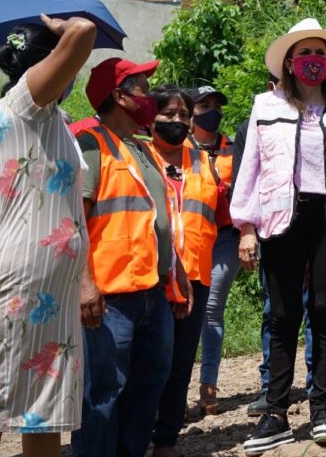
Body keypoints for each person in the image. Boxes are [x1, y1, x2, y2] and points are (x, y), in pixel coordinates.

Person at [231, 17, 326, 454]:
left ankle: (322, 410)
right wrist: (246, 227)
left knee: (325, 309)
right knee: (281, 315)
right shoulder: (266, 106)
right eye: (305, 54)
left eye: (320, 54)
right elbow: (250, 171)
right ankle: (276, 413)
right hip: (282, 218)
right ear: (289, 63)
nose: (313, 61)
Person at [0, 15, 95, 456]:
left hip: (51, 285)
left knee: (46, 406)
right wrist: (61, 27)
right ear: (47, 65)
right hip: (21, 280)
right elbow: (84, 32)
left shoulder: (51, 116)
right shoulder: (24, 101)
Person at [71, 58, 192, 457]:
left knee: (148, 386)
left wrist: (176, 272)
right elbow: (75, 221)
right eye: (142, 86)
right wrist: (85, 283)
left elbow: (156, 217)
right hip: (109, 301)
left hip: (152, 295)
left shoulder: (142, 149)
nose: (150, 95)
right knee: (102, 396)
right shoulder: (91, 145)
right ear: (120, 96)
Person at [232, 77, 314, 418]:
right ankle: (272, 388)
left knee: (318, 309)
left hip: (317, 230)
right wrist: (247, 231)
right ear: (271, 84)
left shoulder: (319, 118)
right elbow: (244, 180)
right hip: (275, 232)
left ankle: (315, 384)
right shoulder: (252, 122)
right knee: (277, 311)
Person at [147, 86, 218, 457]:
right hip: (150, 277)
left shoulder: (203, 160)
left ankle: (166, 439)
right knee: (147, 361)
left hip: (195, 276)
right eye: (168, 113)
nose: (176, 121)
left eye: (182, 115)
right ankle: (135, 431)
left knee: (180, 361)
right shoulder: (139, 155)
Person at [188, 85, 241, 415]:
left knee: (211, 308)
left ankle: (208, 385)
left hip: (225, 238)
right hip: (190, 238)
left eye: (216, 105)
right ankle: (174, 388)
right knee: (184, 312)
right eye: (203, 105)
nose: (212, 111)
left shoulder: (233, 150)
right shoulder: (178, 149)